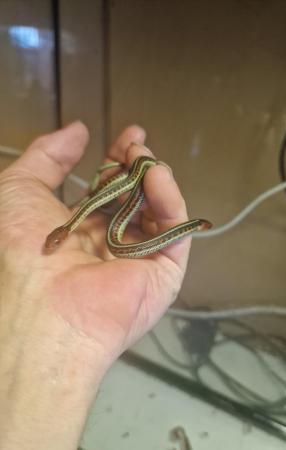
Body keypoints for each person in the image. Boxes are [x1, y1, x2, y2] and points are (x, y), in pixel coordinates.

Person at [0, 122, 192, 450]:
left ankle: (139, 176)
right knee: (139, 174)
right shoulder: (67, 227)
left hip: (115, 195)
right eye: (53, 243)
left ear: (62, 234)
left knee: (144, 171)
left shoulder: (77, 222)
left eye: (54, 242)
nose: (51, 246)